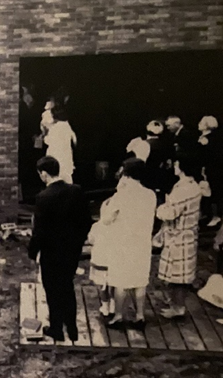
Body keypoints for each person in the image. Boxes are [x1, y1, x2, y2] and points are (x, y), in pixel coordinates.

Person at [28, 156, 92, 342]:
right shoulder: (76, 190)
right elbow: (86, 221)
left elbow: (39, 231)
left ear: (44, 174)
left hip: (51, 252)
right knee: (67, 286)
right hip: (72, 250)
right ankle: (72, 328)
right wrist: (78, 241)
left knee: (52, 290)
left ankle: (56, 329)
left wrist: (33, 252)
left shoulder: (43, 197)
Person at [101, 159, 157, 330]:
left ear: (125, 174)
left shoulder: (121, 195)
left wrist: (108, 203)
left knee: (120, 281)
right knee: (140, 280)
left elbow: (106, 219)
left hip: (123, 242)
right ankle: (140, 316)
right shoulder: (150, 195)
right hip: (143, 242)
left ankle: (119, 316)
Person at [155, 154, 203, 318]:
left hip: (179, 237)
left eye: (176, 164)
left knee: (178, 277)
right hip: (188, 235)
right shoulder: (193, 186)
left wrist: (159, 209)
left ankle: (178, 308)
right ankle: (175, 302)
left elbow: (170, 213)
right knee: (179, 275)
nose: (174, 166)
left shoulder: (183, 190)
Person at [197, 116, 223, 227]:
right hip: (207, 169)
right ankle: (208, 214)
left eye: (201, 122)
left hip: (212, 169)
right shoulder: (204, 137)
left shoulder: (211, 139)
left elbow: (209, 156)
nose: (198, 124)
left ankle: (216, 216)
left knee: (214, 192)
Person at [43, 107, 76, 184]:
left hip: (57, 156)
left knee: (56, 178)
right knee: (67, 178)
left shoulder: (55, 128)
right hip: (66, 156)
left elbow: (48, 141)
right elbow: (75, 141)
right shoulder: (67, 126)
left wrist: (45, 133)